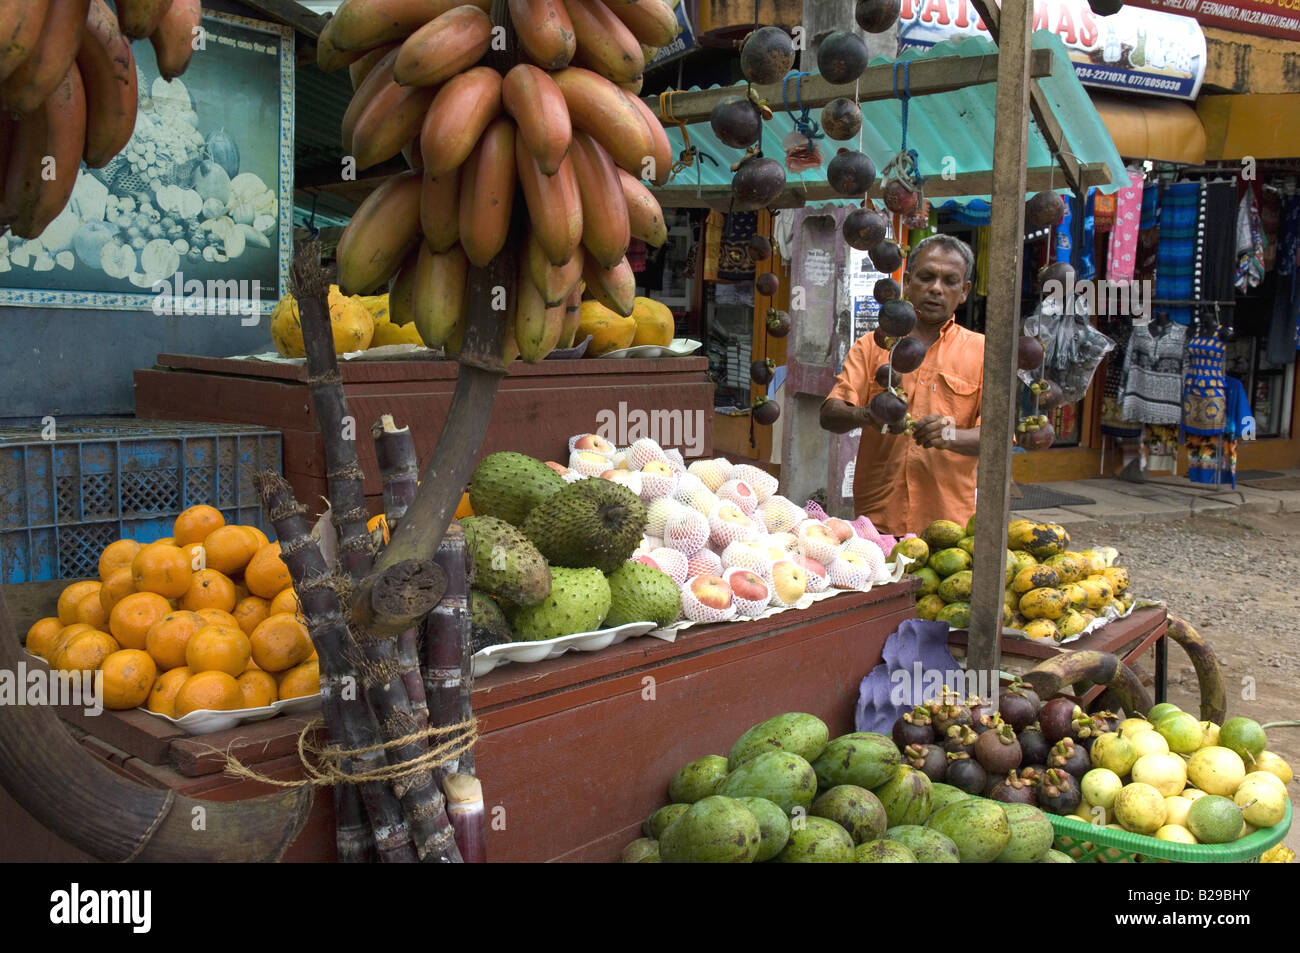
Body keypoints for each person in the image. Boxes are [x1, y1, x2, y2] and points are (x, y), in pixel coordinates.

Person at [819, 234, 984, 536]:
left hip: (949, 527)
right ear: (907, 282)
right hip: (878, 522)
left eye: (950, 281)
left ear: (964, 291)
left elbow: (998, 438)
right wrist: (868, 415)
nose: (936, 288)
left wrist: (948, 434)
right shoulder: (873, 345)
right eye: (926, 277)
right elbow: (830, 414)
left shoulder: (982, 352)